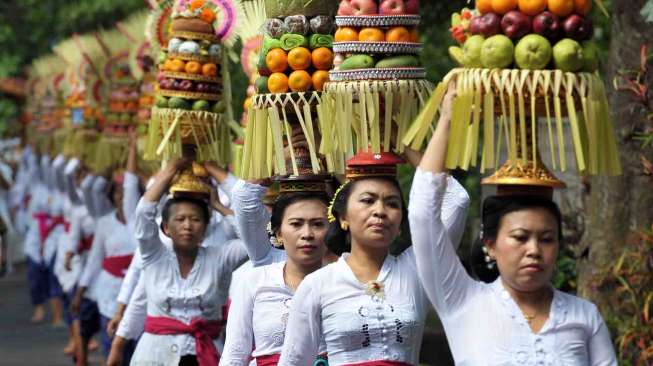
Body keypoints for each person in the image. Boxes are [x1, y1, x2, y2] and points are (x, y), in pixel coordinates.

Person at [408, 87, 618, 365]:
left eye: (546, 239)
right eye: (520, 237)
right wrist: (447, 120)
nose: (534, 250)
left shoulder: (584, 316)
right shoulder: (463, 301)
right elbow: (423, 214)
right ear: (490, 245)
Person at [277, 150, 469, 363]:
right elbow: (293, 361)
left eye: (392, 203)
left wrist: (405, 144)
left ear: (399, 226)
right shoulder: (317, 285)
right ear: (343, 217)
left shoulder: (415, 271)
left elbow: (457, 201)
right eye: (368, 200)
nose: (380, 210)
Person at [129, 159, 248, 366]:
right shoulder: (153, 256)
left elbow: (256, 240)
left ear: (205, 227)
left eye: (195, 219)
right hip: (154, 357)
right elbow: (143, 213)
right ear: (166, 227)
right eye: (180, 219)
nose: (187, 226)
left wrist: (219, 205)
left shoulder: (220, 257)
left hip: (207, 354)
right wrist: (171, 169)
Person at [221, 174, 334, 365]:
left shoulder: (345, 280)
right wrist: (275, 162)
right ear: (279, 233)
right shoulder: (255, 280)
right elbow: (234, 354)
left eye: (317, 224)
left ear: (331, 230)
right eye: (296, 224)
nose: (307, 234)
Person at [71, 170, 137, 362]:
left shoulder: (143, 223)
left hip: (138, 293)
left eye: (126, 192)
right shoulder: (104, 222)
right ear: (111, 196)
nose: (122, 196)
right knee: (112, 344)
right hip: (109, 293)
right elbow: (94, 260)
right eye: (118, 192)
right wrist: (80, 292)